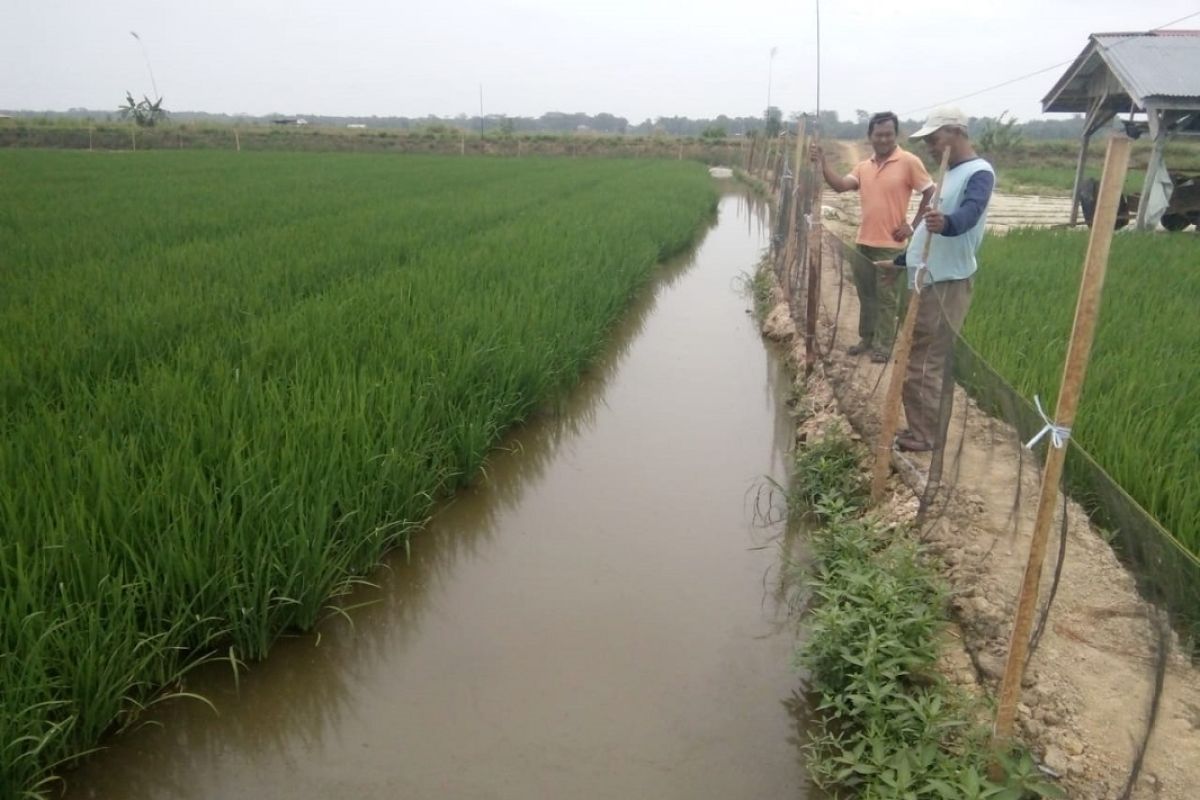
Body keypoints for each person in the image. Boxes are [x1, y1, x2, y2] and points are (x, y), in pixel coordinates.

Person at [890, 106, 995, 452]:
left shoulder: (978, 173)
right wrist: (902, 259)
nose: (931, 147)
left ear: (956, 133)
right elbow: (925, 228)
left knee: (925, 361)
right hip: (927, 278)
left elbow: (969, 212)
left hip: (946, 282)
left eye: (934, 139)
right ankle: (919, 429)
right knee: (916, 355)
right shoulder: (946, 173)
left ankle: (927, 436)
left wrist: (947, 224)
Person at [810, 111, 935, 363]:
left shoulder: (909, 161)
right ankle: (866, 338)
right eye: (879, 134)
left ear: (895, 135)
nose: (884, 139)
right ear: (870, 136)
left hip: (891, 245)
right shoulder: (864, 167)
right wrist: (823, 163)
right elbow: (840, 185)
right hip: (864, 241)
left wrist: (913, 225)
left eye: (889, 134)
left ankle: (883, 346)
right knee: (866, 294)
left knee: (886, 299)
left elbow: (930, 192)